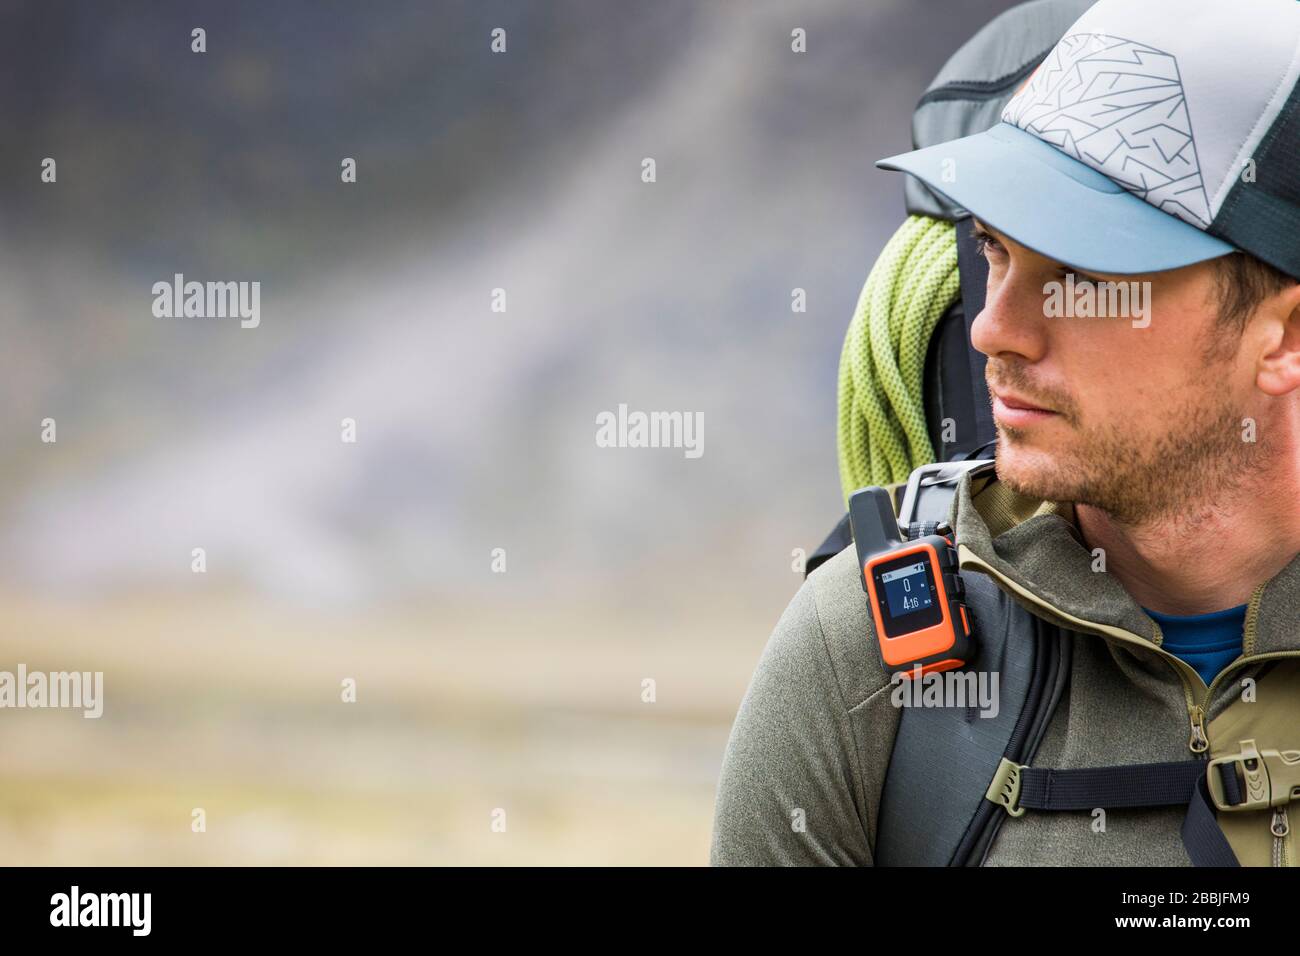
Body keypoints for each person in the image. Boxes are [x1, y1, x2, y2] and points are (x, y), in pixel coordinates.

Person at [711, 0, 1300, 866]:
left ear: (1280, 338)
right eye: (994, 249)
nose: (996, 328)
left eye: (1082, 274)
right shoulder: (860, 661)